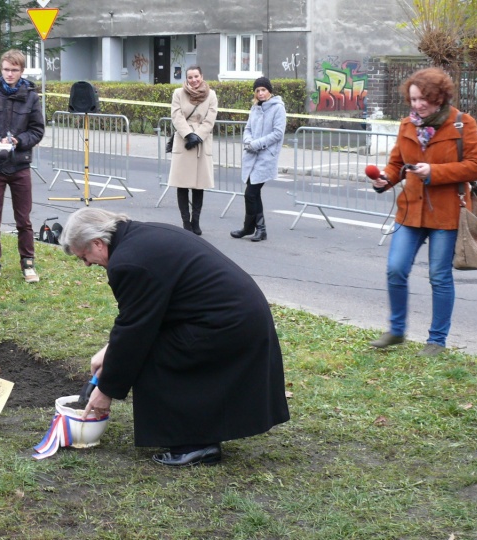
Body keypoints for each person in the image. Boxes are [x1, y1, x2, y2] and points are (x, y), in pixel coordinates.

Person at [60, 207, 289, 467]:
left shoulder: (127, 262)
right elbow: (143, 316)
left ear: (98, 243)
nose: (88, 264)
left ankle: (195, 445)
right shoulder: (139, 237)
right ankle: (200, 434)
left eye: (84, 257)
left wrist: (106, 390)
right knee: (144, 349)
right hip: (235, 315)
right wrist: (111, 350)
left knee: (151, 357)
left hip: (228, 323)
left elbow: (135, 333)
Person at [368, 67, 477, 357]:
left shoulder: (462, 124)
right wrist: (385, 178)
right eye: (413, 99)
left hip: (447, 214)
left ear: (439, 97)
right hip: (411, 212)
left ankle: (436, 341)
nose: (417, 106)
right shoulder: (407, 124)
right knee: (396, 268)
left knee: (439, 276)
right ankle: (396, 331)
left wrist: (435, 171)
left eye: (423, 99)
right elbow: (397, 164)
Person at [0, 49, 46, 285]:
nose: (10, 74)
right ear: (0, 69)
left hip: (20, 165)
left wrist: (18, 141)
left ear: (22, 71)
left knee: (24, 219)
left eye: (14, 70)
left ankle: (28, 263)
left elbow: (37, 130)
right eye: (6, 69)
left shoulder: (32, 97)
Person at [231, 77, 287, 242]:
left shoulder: (278, 108)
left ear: (269, 91)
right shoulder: (255, 108)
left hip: (265, 156)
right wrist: (248, 141)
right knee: (253, 194)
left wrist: (256, 144)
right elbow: (248, 128)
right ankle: (257, 229)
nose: (261, 93)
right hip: (251, 155)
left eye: (264, 90)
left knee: (251, 193)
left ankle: (252, 228)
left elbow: (278, 133)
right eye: (258, 90)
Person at [168, 65, 218, 235]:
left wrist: (198, 136)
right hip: (183, 141)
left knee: (199, 185)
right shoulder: (178, 93)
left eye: (196, 76)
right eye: (190, 77)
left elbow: (211, 118)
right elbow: (176, 115)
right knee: (182, 185)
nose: (194, 80)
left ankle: (195, 221)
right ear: (186, 79)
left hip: (201, 143)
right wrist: (188, 134)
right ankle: (185, 222)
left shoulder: (211, 95)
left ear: (202, 76)